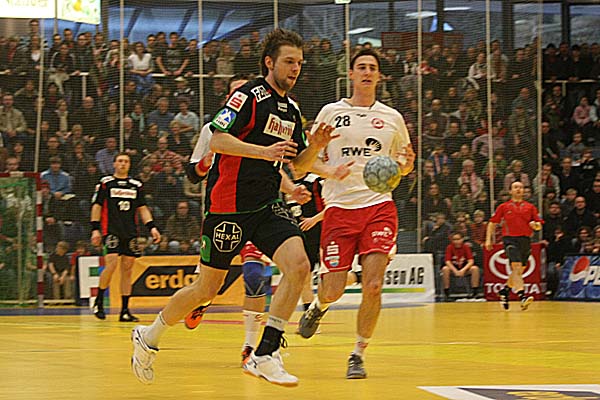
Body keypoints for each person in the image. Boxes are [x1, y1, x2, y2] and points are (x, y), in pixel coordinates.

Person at [130, 29, 337, 387]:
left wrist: (316, 147)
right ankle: (149, 336)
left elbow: (299, 166)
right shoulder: (248, 96)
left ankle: (265, 353)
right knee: (205, 290)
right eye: (289, 61)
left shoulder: (292, 109)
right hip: (228, 208)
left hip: (267, 205)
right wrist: (263, 152)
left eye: (300, 63)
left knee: (299, 264)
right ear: (269, 62)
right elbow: (218, 139)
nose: (295, 69)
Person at [297, 48, 415, 379]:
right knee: (333, 289)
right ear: (350, 74)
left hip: (379, 206)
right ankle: (319, 306)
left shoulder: (392, 117)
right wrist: (323, 162)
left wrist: (406, 166)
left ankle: (358, 354)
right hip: (339, 208)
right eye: (361, 67)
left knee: (373, 285)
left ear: (379, 76)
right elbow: (304, 164)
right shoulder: (331, 112)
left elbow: (404, 164)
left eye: (372, 67)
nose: (366, 72)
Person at [90, 152, 161, 322]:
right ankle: (99, 301)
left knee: (127, 270)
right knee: (112, 264)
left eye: (126, 161)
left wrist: (152, 227)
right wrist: (95, 229)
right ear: (114, 164)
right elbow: (97, 206)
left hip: (130, 232)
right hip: (111, 231)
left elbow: (143, 208)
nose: (123, 164)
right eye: (120, 161)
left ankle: (124, 310)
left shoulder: (136, 185)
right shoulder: (106, 183)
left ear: (129, 165)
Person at [485, 180, 543, 311]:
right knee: (516, 267)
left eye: (521, 187)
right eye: (515, 187)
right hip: (510, 240)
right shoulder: (504, 207)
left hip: (525, 240)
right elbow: (492, 223)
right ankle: (522, 297)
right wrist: (488, 239)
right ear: (510, 191)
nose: (518, 189)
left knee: (519, 270)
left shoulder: (530, 207)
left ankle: (505, 291)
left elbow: (538, 224)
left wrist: (535, 226)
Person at [442, 232, 480, 301]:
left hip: (464, 269)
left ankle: (475, 292)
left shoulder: (466, 247)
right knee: (445, 269)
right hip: (453, 269)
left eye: (458, 239)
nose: (456, 241)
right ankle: (446, 293)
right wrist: (455, 271)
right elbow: (447, 262)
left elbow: (471, 261)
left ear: (462, 239)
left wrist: (463, 270)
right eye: (454, 239)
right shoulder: (449, 247)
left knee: (475, 268)